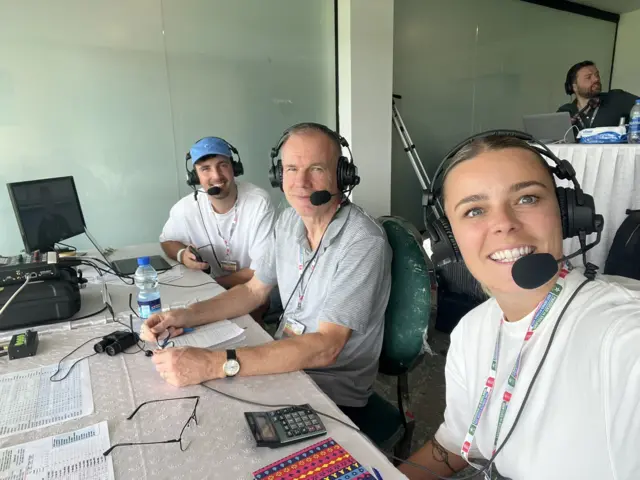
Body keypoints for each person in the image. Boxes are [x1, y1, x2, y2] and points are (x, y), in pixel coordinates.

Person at [399, 134, 640, 479]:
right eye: (475, 210)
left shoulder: (622, 336)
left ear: (567, 214)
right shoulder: (472, 330)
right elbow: (457, 444)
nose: (504, 223)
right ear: (447, 242)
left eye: (527, 198)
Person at [141, 123, 392, 425]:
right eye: (290, 169)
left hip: (330, 388)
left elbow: (327, 346)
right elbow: (254, 290)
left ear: (342, 175)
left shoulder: (363, 241)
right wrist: (185, 315)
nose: (301, 183)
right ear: (278, 174)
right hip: (284, 360)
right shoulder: (288, 221)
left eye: (316, 169)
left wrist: (214, 364)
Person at [159, 136, 275, 291]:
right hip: (211, 289)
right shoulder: (186, 207)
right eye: (205, 169)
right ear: (194, 176)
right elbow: (167, 241)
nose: (216, 175)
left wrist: (210, 285)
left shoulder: (258, 202)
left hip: (251, 290)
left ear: (234, 168)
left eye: (223, 165)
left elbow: (261, 272)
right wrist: (182, 255)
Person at [557, 60, 639, 130]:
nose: (596, 79)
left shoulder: (616, 98)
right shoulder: (565, 112)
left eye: (597, 75)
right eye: (588, 77)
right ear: (574, 86)